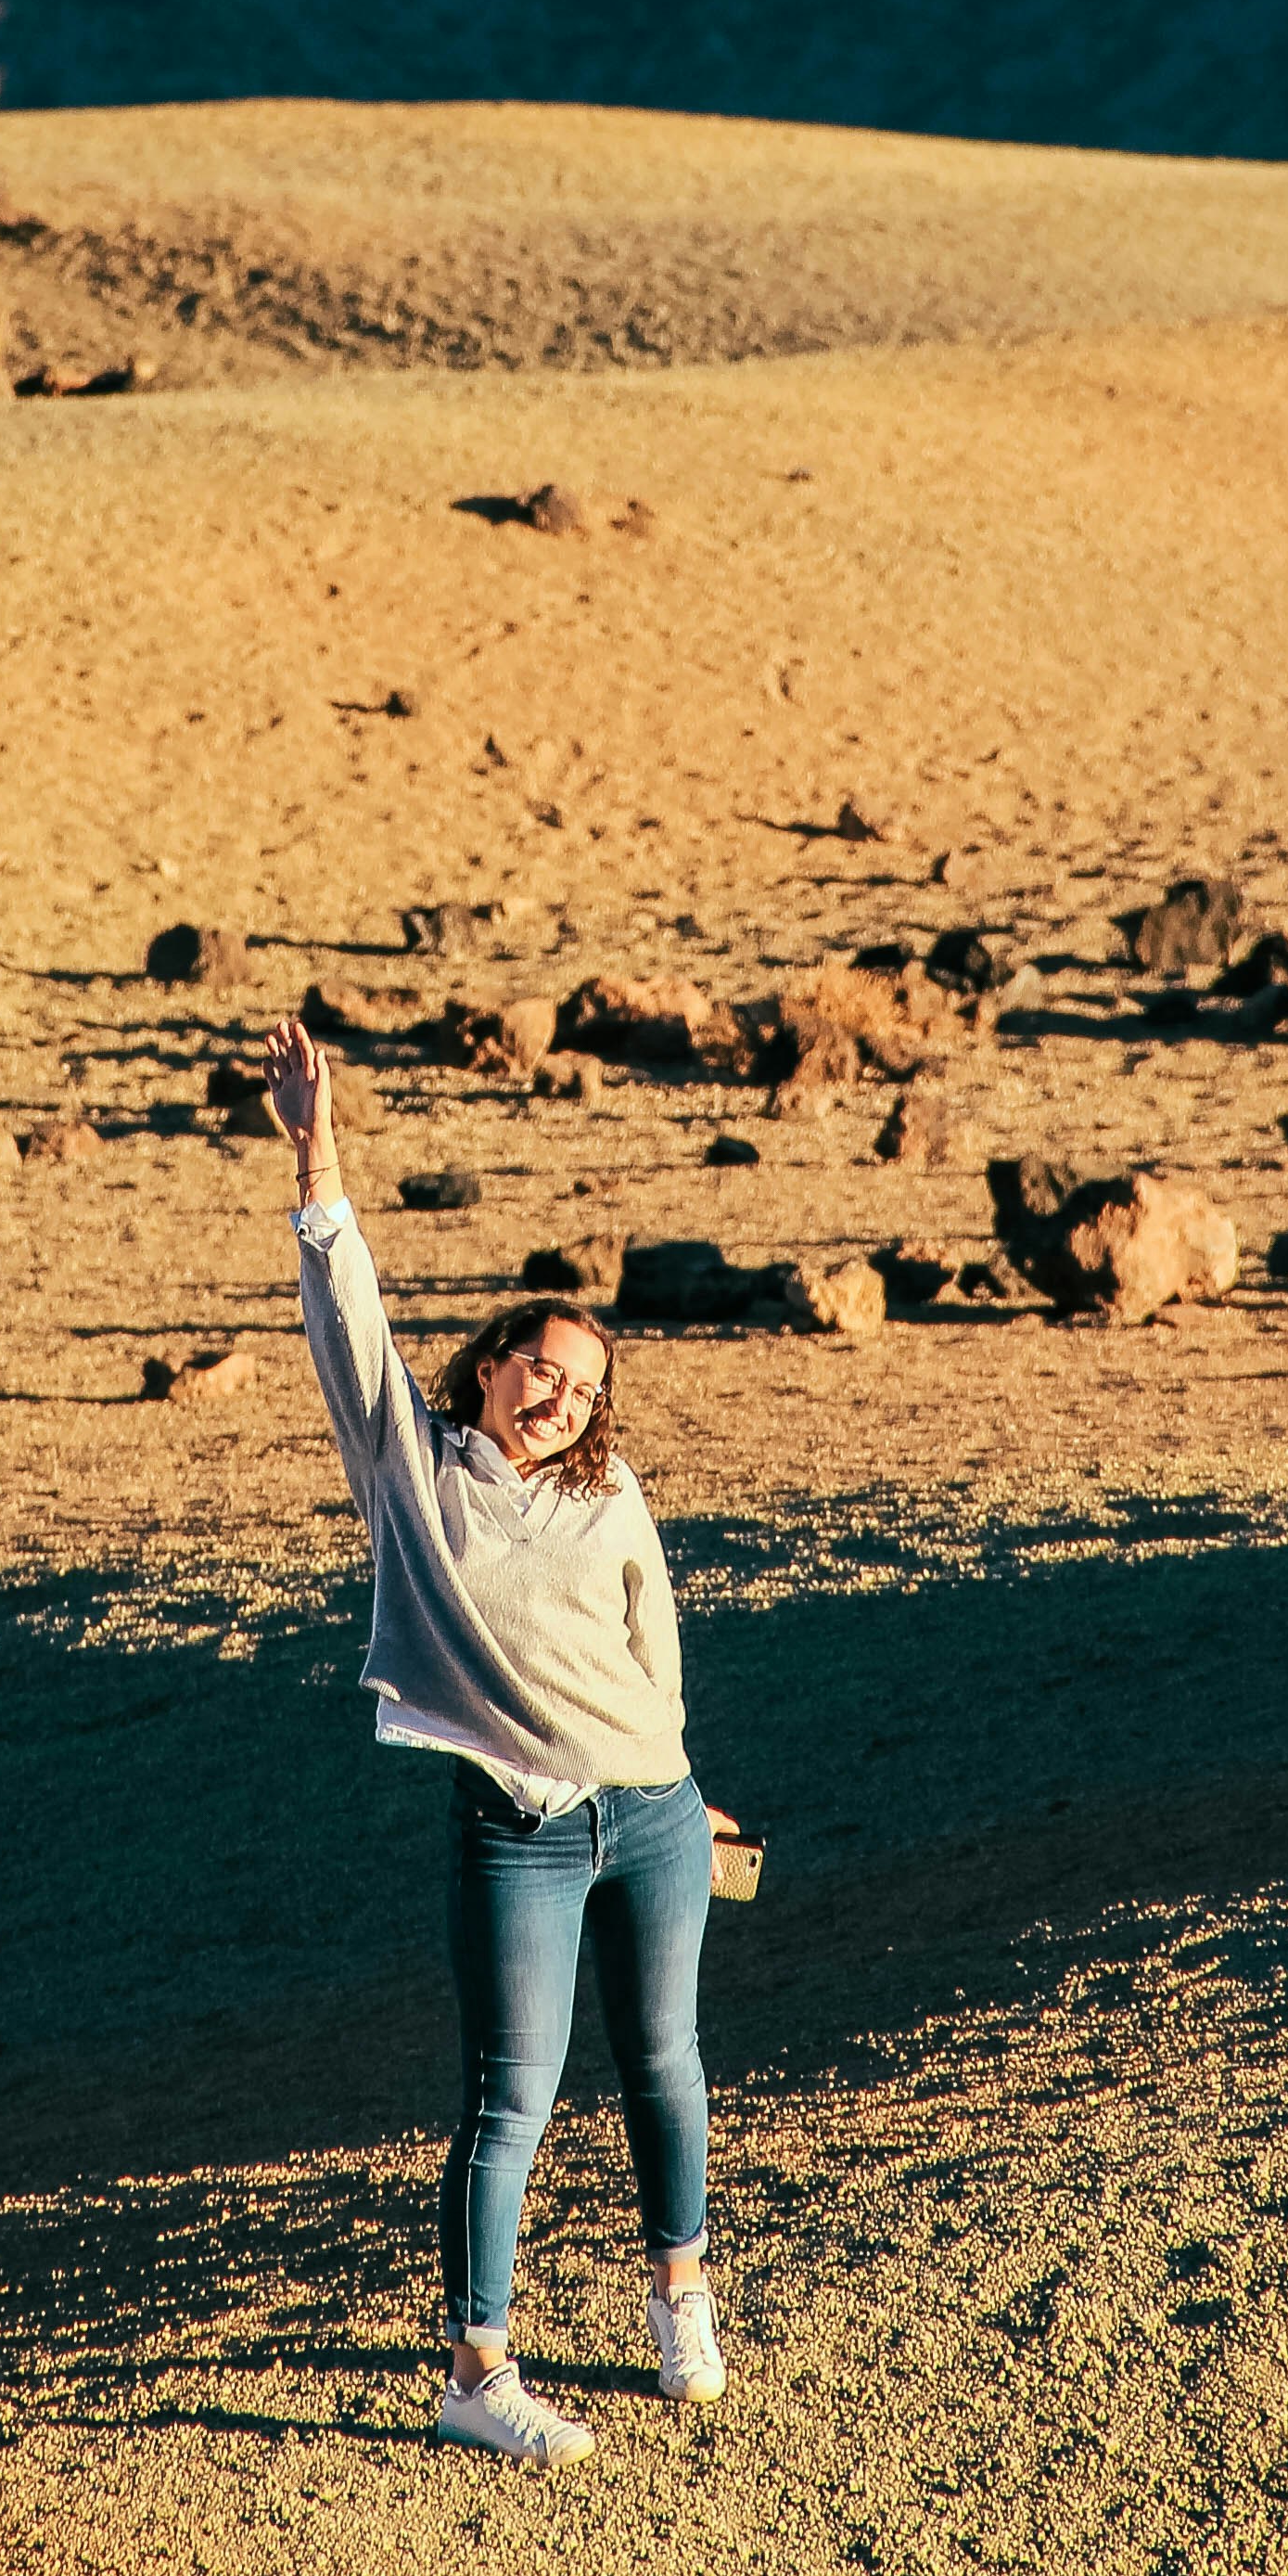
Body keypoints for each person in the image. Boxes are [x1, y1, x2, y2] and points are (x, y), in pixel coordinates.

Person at [263, 1011, 734, 2466]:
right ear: (489, 1366)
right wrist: (318, 1158)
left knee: (666, 2061)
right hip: (516, 1831)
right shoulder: (413, 1473)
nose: (561, 1400)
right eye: (543, 1370)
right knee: (509, 2102)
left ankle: (681, 2290)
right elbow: (349, 1328)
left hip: (654, 1816)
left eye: (586, 1390)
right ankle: (478, 2373)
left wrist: (686, 1784)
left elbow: (655, 1647)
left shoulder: (611, 1490)